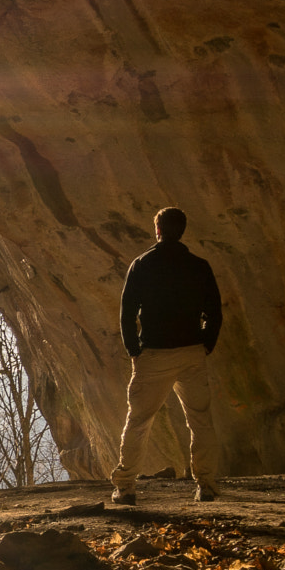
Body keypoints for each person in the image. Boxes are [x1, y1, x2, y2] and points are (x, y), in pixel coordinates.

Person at [108, 207, 223, 505]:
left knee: (139, 421)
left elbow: (127, 313)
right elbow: (215, 313)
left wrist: (135, 351)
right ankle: (206, 485)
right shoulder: (199, 266)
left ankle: (125, 487)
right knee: (200, 420)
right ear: (182, 230)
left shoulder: (142, 265)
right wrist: (205, 344)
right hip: (191, 352)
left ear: (157, 230)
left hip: (155, 353)